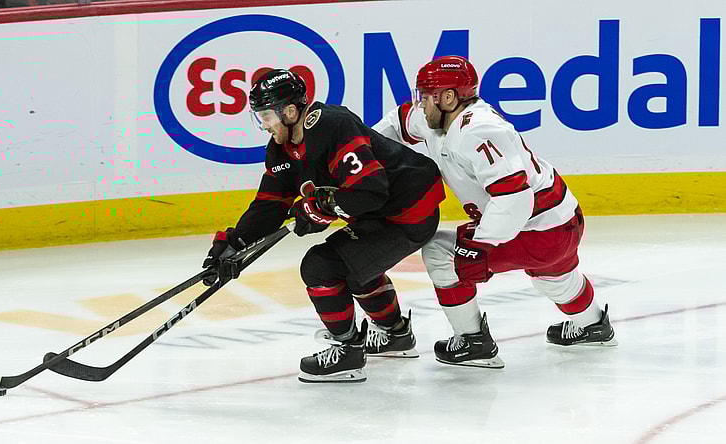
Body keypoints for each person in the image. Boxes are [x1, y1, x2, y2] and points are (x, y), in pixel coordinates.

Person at [202, 69, 446, 383]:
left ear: (289, 111)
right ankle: (395, 334)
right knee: (356, 266)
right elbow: (269, 205)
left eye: (265, 116)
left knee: (322, 267)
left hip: (408, 211)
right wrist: (234, 245)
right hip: (380, 214)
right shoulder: (281, 148)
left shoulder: (331, 125)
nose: (263, 125)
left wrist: (322, 208)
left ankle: (347, 351)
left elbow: (371, 190)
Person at [374, 55, 617, 369]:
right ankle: (593, 325)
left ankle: (473, 340)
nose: (420, 104)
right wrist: (362, 153)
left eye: (425, 96)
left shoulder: (479, 130)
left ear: (448, 97)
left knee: (441, 254)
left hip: (538, 229)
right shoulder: (439, 117)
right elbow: (397, 122)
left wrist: (480, 244)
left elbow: (514, 198)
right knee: (555, 278)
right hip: (561, 219)